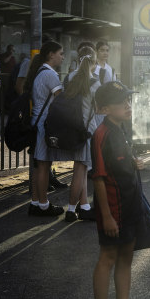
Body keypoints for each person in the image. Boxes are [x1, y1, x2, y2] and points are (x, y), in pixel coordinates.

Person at [91, 81, 143, 299]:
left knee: (126, 256)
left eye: (128, 100)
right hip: (113, 209)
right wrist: (107, 216)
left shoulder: (120, 129)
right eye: (121, 102)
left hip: (130, 204)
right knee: (108, 257)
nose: (127, 105)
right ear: (104, 109)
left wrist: (133, 162)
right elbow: (99, 178)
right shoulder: (101, 134)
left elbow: (119, 161)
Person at [24, 41, 65, 217]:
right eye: (61, 53)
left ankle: (36, 202)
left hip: (37, 122)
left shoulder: (40, 71)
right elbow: (61, 100)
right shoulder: (49, 74)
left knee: (40, 165)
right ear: (51, 54)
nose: (63, 57)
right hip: (44, 125)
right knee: (43, 166)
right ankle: (43, 205)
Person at [62, 45, 100, 222]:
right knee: (80, 169)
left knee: (82, 168)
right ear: (94, 62)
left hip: (71, 128)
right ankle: (70, 210)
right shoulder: (94, 82)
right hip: (87, 130)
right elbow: (98, 108)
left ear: (78, 59)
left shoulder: (69, 77)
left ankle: (84, 205)